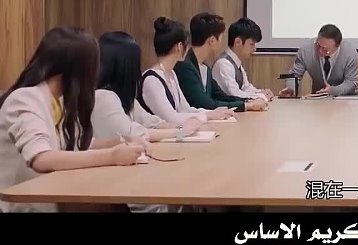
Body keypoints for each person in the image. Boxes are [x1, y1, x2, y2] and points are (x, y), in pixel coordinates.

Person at [0, 27, 145, 212]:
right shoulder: (25, 99)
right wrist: (112, 156)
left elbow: (79, 143)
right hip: (21, 206)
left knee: (117, 206)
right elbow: (42, 158)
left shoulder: (59, 101)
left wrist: (122, 142)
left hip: (51, 197)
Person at [93, 31, 203, 142]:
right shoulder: (103, 97)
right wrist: (180, 131)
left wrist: (183, 126)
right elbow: (133, 135)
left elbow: (152, 123)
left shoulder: (124, 97)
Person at [139, 17, 238, 124]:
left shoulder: (171, 74)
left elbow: (185, 109)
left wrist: (212, 113)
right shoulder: (152, 80)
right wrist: (207, 116)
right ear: (179, 47)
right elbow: (171, 118)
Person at [174, 13, 267, 112]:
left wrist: (248, 101)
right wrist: (247, 105)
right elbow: (204, 104)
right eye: (221, 37)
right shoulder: (186, 66)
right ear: (212, 40)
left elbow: (220, 96)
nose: (222, 42)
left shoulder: (204, 67)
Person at [279, 24, 358, 97]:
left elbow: (351, 82)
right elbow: (294, 75)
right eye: (318, 45)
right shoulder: (305, 50)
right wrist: (291, 88)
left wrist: (333, 90)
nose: (320, 51)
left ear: (338, 46)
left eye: (325, 50)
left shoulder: (349, 52)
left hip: (345, 98)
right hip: (318, 98)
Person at [212, 17, 274, 102]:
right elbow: (235, 95)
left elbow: (246, 88)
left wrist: (261, 92)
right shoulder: (223, 64)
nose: (254, 49)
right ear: (238, 42)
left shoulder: (236, 63)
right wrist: (261, 96)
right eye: (251, 44)